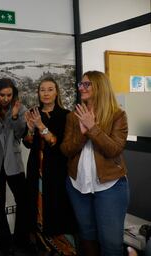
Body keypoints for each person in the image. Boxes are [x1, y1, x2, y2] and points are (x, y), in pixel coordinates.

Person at [61, 71, 129, 256]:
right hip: (78, 186)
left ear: (100, 87)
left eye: (86, 84)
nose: (81, 88)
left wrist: (92, 128)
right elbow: (66, 150)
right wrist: (82, 136)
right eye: (80, 84)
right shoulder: (73, 117)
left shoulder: (117, 115)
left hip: (110, 187)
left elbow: (114, 149)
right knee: (87, 236)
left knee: (111, 243)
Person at [23, 77, 77, 255]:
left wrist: (40, 125)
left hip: (56, 170)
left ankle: (63, 249)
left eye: (50, 89)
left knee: (56, 207)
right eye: (42, 90)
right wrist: (30, 128)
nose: (45, 93)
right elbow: (28, 143)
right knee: (36, 207)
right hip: (35, 169)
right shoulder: (33, 112)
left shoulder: (66, 115)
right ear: (38, 93)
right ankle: (42, 248)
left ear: (56, 93)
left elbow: (56, 143)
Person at [0, 78, 28, 255]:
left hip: (14, 162)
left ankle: (20, 239)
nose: (5, 98)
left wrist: (15, 116)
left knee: (24, 200)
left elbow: (20, 134)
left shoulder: (20, 108)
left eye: (9, 95)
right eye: (2, 95)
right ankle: (4, 244)